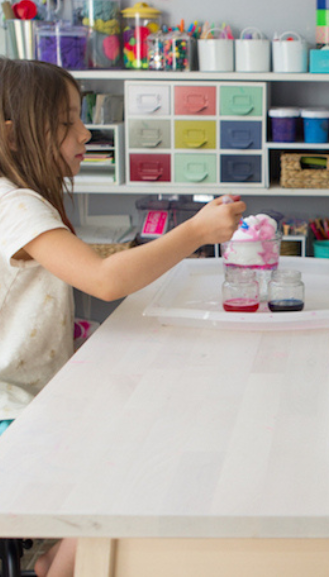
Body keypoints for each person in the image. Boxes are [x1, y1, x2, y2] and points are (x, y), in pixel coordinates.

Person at [0, 58, 246, 577]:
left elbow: (81, 262)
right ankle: (56, 566)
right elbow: (104, 281)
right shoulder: (17, 204)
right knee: (131, 444)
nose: (85, 131)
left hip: (23, 391)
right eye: (66, 120)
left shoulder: (14, 200)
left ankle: (56, 557)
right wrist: (195, 232)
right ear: (13, 137)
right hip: (11, 407)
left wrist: (150, 251)